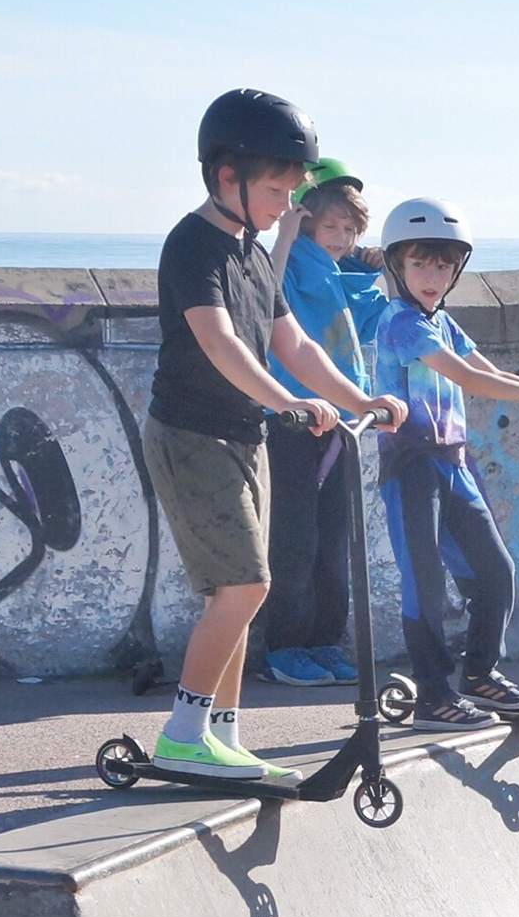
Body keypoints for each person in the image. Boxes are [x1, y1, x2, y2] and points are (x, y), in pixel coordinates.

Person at [144, 91, 407, 780]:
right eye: (275, 188)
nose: (286, 204)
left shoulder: (254, 255)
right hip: (193, 434)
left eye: (294, 190)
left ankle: (220, 735)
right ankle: (181, 738)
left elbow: (292, 343)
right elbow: (220, 342)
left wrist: (358, 398)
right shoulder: (194, 243)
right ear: (226, 177)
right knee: (244, 586)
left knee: (239, 590)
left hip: (242, 435)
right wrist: (291, 405)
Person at [372, 198, 519, 731]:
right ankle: (432, 695)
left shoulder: (441, 321)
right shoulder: (403, 323)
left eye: (444, 266)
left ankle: (479, 677)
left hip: (451, 463)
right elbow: (471, 381)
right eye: (421, 263)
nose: (433, 276)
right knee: (424, 584)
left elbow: (485, 367)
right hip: (411, 466)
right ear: (397, 266)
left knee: (494, 571)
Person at [254, 161, 390, 688]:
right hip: (290, 419)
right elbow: (265, 291)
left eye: (349, 229)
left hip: (342, 423)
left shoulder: (339, 271)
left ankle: (323, 641)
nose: (340, 238)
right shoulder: (291, 261)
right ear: (308, 221)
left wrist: (376, 263)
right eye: (330, 227)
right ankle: (282, 648)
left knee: (335, 543)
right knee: (295, 541)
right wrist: (285, 233)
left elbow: (375, 314)